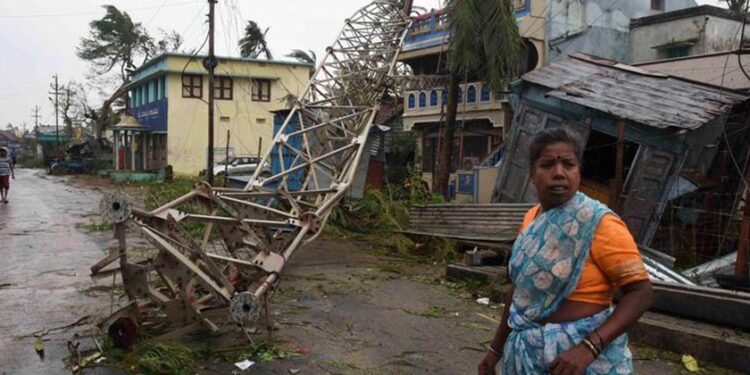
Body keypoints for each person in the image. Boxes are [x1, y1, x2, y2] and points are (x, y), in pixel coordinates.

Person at [478, 128, 653, 375]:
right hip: (526, 357)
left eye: (568, 165)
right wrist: (495, 350)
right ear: (532, 174)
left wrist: (589, 347)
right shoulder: (531, 220)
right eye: (547, 165)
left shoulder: (599, 222)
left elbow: (641, 293)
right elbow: (520, 293)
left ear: (578, 172)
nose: (558, 173)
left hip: (582, 362)